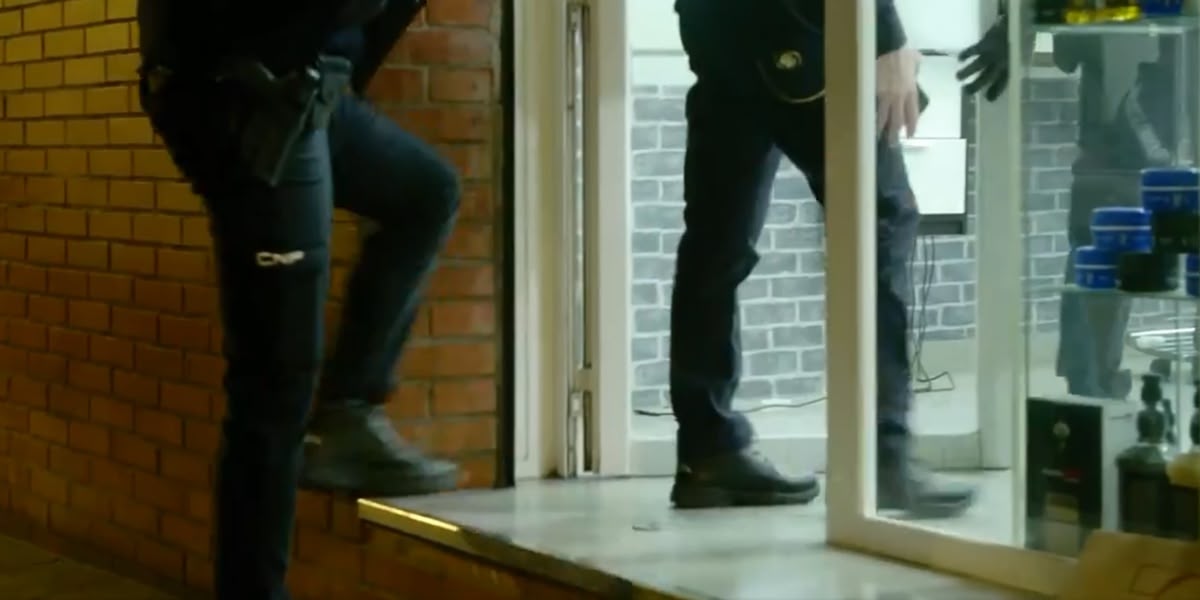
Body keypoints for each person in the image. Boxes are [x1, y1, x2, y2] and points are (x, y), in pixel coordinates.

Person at [136, 0, 460, 597]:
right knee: (275, 382)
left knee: (426, 193)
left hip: (309, 86)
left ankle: (347, 412)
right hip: (242, 91)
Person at [666, 0, 977, 517]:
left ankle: (708, 451)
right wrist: (886, 37)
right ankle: (885, 456)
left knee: (715, 244)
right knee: (881, 221)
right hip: (796, 25)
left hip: (715, 25)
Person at [959, 9, 1190, 399]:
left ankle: (1091, 375)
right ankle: (1091, 377)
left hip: (1138, 81)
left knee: (1107, 235)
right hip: (1131, 88)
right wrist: (1018, 17)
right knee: (1110, 234)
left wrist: (1018, 17)